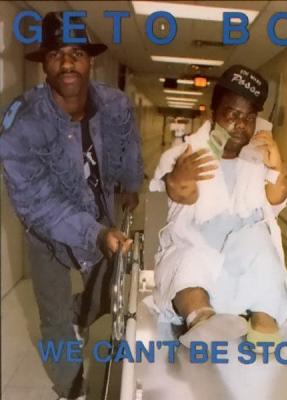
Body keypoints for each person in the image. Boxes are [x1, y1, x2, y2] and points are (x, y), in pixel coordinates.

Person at [0, 12, 143, 400]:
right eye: (56, 54)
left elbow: (129, 144)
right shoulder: (22, 122)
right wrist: (95, 234)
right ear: (44, 64)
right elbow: (36, 203)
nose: (67, 63)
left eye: (76, 53)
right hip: (46, 234)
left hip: (102, 216)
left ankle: (80, 311)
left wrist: (131, 184)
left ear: (89, 60)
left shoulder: (114, 104)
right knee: (54, 318)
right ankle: (71, 388)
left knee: (106, 295)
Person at [149, 65, 287, 349]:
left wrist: (277, 165)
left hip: (242, 262)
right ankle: (202, 319)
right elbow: (180, 193)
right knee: (190, 259)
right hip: (197, 250)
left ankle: (264, 321)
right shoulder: (184, 154)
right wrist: (181, 178)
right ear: (213, 114)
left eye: (249, 118)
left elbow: (277, 196)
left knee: (261, 247)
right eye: (232, 114)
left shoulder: (257, 159)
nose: (240, 124)